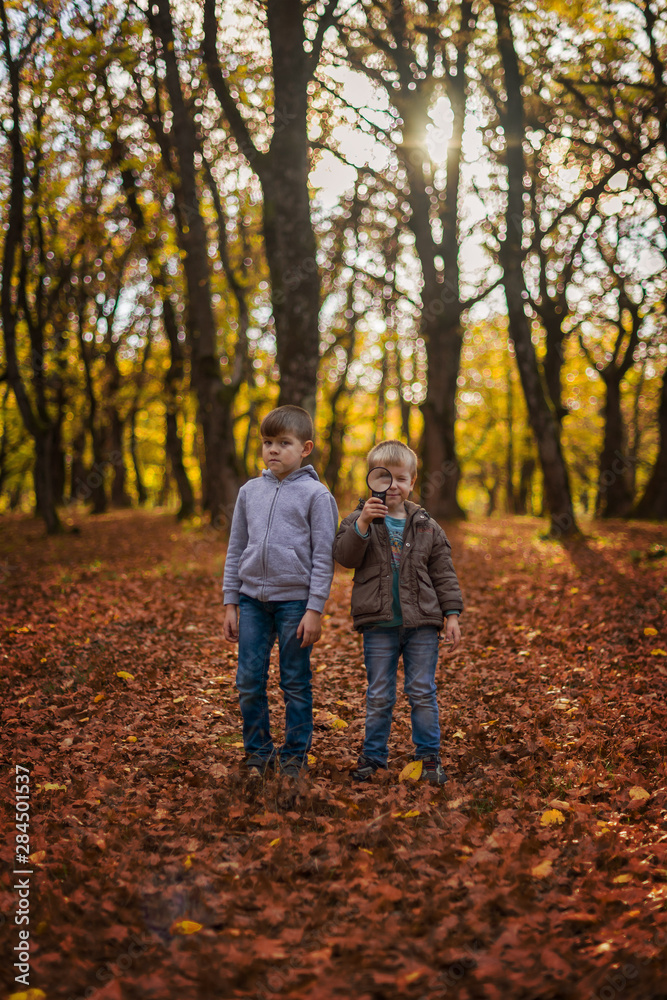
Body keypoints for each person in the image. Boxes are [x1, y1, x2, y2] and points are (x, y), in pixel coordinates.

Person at [333, 440, 463, 785]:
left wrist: (451, 614)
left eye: (401, 479)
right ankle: (374, 757)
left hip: (421, 623)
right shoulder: (358, 519)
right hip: (379, 624)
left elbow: (443, 571)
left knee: (422, 690)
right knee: (379, 693)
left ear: (412, 482)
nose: (393, 485)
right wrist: (361, 523)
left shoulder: (426, 525)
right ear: (371, 479)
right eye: (384, 477)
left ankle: (428, 757)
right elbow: (345, 557)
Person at [223, 405, 338, 778]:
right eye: (267, 442)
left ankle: (294, 755)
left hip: (294, 602)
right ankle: (258, 751)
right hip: (252, 601)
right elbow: (236, 547)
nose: (272, 450)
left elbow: (324, 557)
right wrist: (230, 601)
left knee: (294, 680)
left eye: (283, 443)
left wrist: (314, 609)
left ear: (305, 448)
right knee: (248, 680)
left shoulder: (317, 496)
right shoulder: (249, 491)